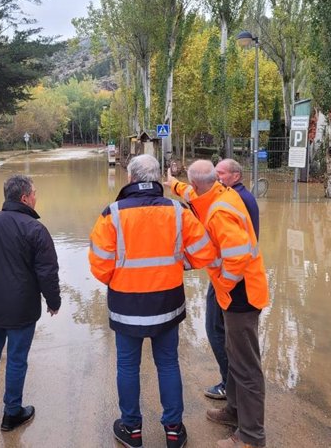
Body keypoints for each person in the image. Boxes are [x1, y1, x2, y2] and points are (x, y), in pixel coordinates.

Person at [88, 154, 212, 448]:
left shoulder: (113, 213)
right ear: (157, 179)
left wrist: (121, 279)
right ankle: (173, 430)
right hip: (167, 304)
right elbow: (204, 252)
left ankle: (131, 430)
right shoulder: (178, 211)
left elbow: (99, 264)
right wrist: (176, 265)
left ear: (130, 178)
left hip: (126, 307)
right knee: (168, 364)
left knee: (128, 367)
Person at [166, 159, 268, 448]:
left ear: (200, 184)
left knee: (246, 367)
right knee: (234, 357)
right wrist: (171, 183)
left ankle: (250, 436)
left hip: (241, 295)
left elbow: (237, 259)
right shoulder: (218, 192)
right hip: (236, 291)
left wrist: (222, 284)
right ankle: (233, 411)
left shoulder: (220, 212)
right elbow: (191, 194)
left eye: (191, 185)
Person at [0, 174, 60, 432]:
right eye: (35, 193)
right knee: (17, 360)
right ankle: (12, 413)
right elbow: (47, 272)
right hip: (22, 310)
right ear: (25, 198)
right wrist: (53, 301)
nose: (37, 197)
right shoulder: (36, 229)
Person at [197, 159, 260, 400]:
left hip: (233, 280)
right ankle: (232, 396)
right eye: (214, 174)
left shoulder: (230, 201)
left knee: (216, 330)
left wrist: (223, 283)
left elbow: (237, 253)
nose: (217, 178)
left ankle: (228, 385)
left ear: (236, 176)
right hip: (234, 276)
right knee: (222, 332)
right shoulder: (234, 196)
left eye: (220, 174)